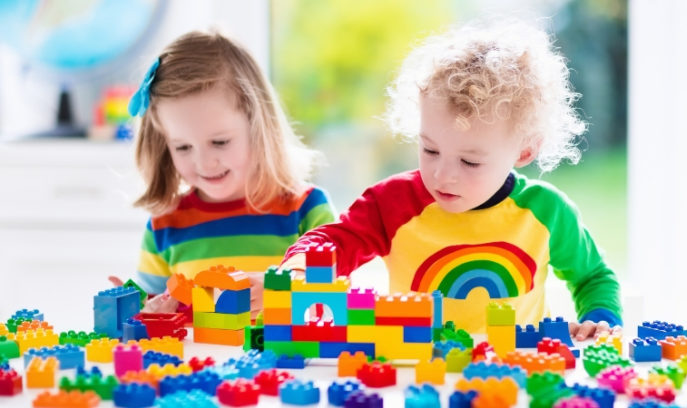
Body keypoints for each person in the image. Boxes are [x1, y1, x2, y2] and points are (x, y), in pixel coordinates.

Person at [282, 20, 621, 338]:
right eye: (430, 150)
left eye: (469, 161)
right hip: (419, 376)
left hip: (515, 377)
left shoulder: (547, 212)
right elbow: (336, 241)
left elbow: (593, 277)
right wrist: (298, 270)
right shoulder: (392, 203)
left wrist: (600, 320)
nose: (442, 175)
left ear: (524, 152)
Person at [119, 30, 335, 314]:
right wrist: (136, 310)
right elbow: (151, 311)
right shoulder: (165, 225)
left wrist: (279, 291)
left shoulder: (306, 209)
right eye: (183, 147)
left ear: (257, 125)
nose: (205, 163)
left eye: (219, 142)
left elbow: (335, 298)